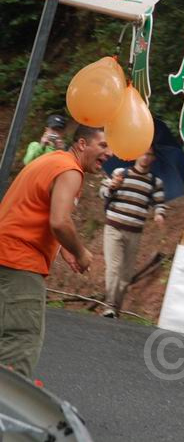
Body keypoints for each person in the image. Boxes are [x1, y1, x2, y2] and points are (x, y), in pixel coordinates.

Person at [0, 125, 110, 378]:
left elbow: (34, 208)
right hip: (19, 263)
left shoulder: (52, 160)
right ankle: (8, 411)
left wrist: (61, 247)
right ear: (82, 144)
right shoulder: (71, 170)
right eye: (103, 145)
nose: (109, 153)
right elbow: (59, 222)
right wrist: (81, 252)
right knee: (21, 342)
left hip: (6, 255)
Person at [99, 147, 166, 318]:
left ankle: (115, 310)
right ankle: (109, 305)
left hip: (134, 232)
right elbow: (103, 192)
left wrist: (159, 214)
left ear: (153, 158)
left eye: (150, 154)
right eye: (143, 153)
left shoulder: (154, 182)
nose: (145, 157)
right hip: (114, 227)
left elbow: (159, 202)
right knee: (114, 268)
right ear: (136, 154)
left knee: (126, 275)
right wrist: (112, 186)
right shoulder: (121, 173)